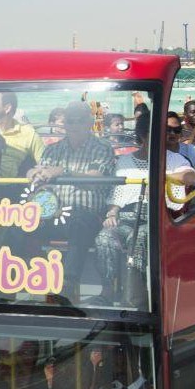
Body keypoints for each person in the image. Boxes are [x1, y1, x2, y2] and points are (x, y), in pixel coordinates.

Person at [95, 113, 195, 303]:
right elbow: (117, 195)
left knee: (140, 237)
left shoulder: (173, 159)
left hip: (157, 216)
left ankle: (136, 294)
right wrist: (112, 213)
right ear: (143, 136)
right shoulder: (125, 162)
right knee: (105, 237)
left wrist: (162, 180)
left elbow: (190, 176)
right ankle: (107, 290)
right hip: (127, 215)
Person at [25, 101, 117, 298]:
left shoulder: (102, 147)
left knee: (78, 220)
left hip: (88, 215)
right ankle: (15, 281)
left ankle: (65, 286)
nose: (74, 125)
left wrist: (63, 172)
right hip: (54, 213)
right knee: (19, 226)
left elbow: (96, 180)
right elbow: (41, 175)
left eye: (79, 120)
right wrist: (33, 174)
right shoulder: (52, 150)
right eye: (70, 121)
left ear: (89, 123)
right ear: (64, 123)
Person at [0, 91, 44, 177]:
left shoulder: (28, 134)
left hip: (7, 183)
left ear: (7, 108)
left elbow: (44, 163)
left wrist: (32, 171)